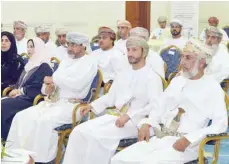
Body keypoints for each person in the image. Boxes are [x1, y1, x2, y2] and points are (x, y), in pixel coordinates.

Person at [110, 38, 227, 164]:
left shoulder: (212, 87)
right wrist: (148, 123)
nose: (182, 62)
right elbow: (160, 106)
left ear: (202, 62)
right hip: (161, 138)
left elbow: (220, 124)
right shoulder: (178, 81)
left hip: (187, 147)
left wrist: (189, 139)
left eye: (188, 58)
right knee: (119, 159)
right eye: (182, 57)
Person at [63, 36, 163, 164]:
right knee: (79, 131)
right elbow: (111, 97)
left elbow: (155, 105)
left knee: (96, 137)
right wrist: (91, 106)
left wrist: (129, 116)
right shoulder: (123, 73)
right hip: (115, 116)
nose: (130, 54)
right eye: (128, 50)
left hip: (137, 121)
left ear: (144, 53)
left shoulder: (152, 77)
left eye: (134, 50)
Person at [6, 32, 98, 163]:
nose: (70, 48)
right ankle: (18, 157)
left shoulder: (90, 62)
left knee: (44, 122)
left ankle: (43, 160)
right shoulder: (66, 60)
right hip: (54, 102)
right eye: (69, 44)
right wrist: (48, 88)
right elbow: (50, 83)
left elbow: (77, 84)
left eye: (73, 45)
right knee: (22, 117)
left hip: (73, 105)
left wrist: (54, 79)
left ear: (83, 46)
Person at [1, 37, 53, 141]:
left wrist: (19, 91)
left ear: (39, 48)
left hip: (31, 99)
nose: (29, 50)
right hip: (21, 97)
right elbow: (20, 83)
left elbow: (37, 88)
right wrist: (14, 90)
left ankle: (4, 141)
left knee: (3, 106)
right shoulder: (29, 65)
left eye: (32, 47)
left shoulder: (44, 66)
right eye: (28, 47)